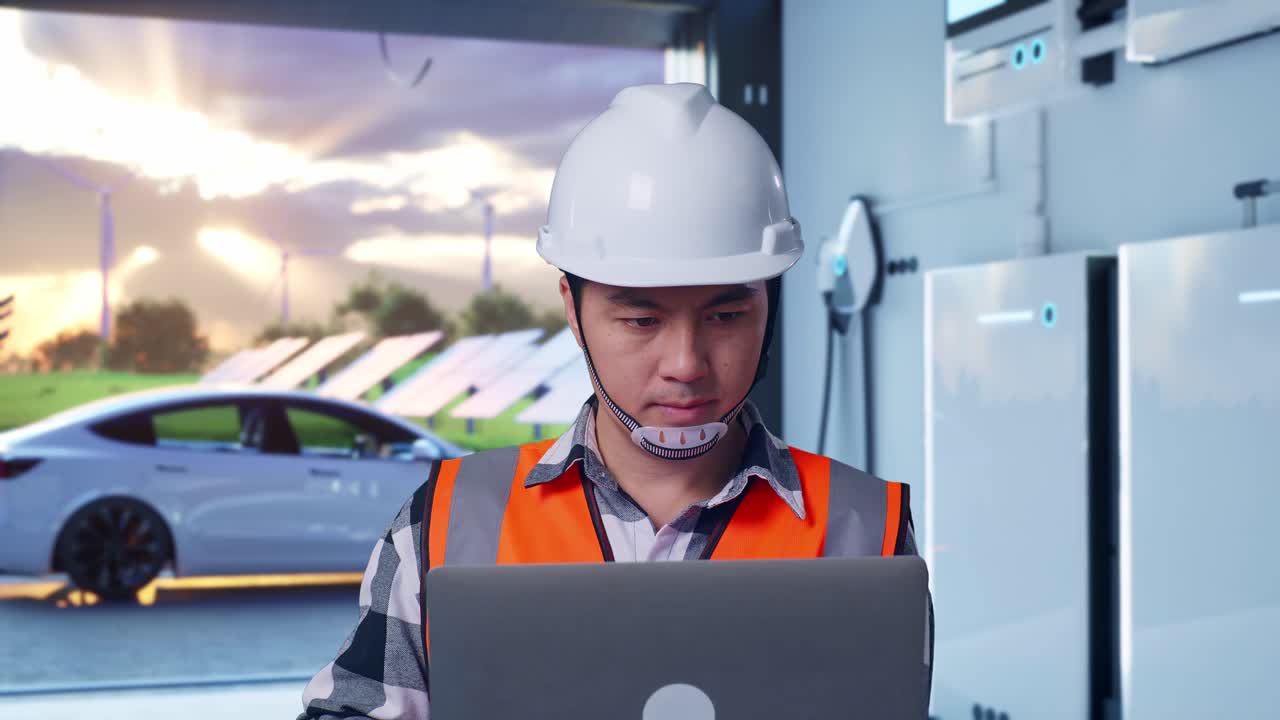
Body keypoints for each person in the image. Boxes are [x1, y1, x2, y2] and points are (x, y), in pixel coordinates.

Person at [298, 82, 932, 720]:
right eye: (641, 320)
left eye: (727, 314)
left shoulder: (866, 528)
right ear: (573, 311)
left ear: (769, 306)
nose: (685, 365)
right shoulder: (447, 521)